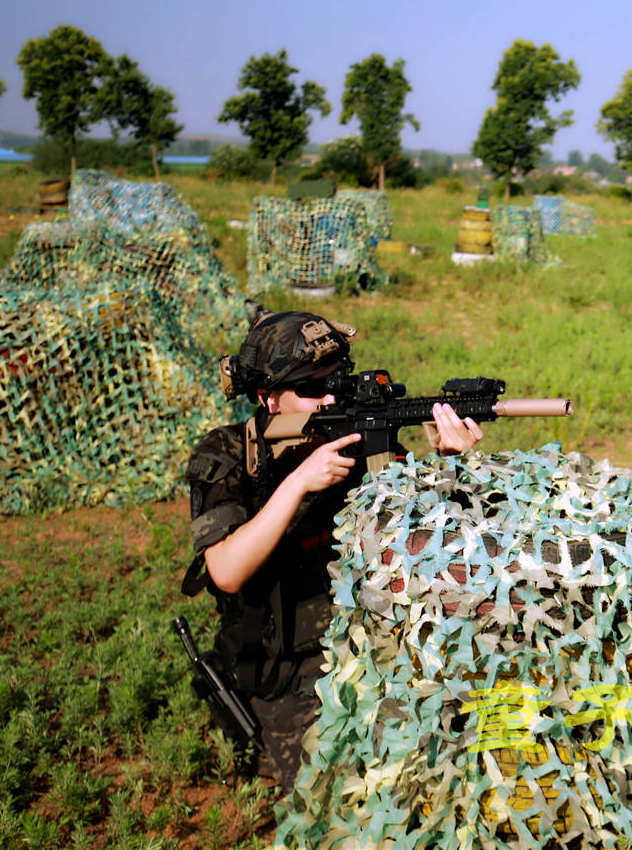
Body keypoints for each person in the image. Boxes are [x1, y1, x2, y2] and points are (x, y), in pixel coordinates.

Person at [183, 311, 483, 792]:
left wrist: (450, 465)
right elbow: (226, 571)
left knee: (457, 754)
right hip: (285, 674)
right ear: (267, 398)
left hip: (368, 649)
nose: (328, 398)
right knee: (340, 798)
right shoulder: (229, 454)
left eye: (336, 381)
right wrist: (299, 483)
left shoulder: (361, 443)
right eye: (310, 388)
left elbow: (422, 546)